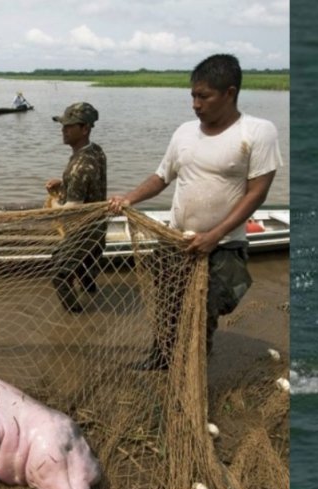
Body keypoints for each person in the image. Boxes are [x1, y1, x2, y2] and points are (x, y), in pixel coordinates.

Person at [108, 53, 282, 367]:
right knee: (167, 305)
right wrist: (129, 198)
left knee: (202, 313)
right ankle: (160, 360)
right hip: (174, 241)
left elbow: (257, 193)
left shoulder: (257, 132)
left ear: (229, 94)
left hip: (223, 246)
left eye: (204, 96)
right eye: (193, 96)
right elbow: (162, 176)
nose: (196, 104)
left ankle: (194, 373)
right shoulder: (184, 132)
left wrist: (214, 236)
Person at [45, 102, 107, 313]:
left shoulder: (80, 166)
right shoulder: (95, 151)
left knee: (59, 274)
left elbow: (71, 211)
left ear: (85, 129)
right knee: (83, 268)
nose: (63, 131)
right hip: (98, 228)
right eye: (63, 126)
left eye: (68, 126)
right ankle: (92, 293)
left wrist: (53, 203)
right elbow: (91, 182)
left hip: (84, 231)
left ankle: (76, 318)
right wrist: (63, 184)